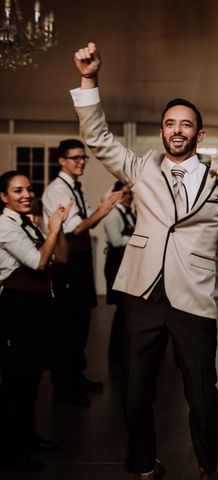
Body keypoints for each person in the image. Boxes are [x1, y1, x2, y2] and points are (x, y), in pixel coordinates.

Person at [71, 42, 218, 480]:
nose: (177, 130)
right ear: (161, 131)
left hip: (192, 297)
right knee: (135, 393)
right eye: (170, 123)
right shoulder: (140, 167)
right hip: (143, 294)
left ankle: (209, 468)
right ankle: (143, 466)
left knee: (203, 395)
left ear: (199, 135)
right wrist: (89, 79)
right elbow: (96, 137)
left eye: (186, 124)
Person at [0, 171, 71, 472]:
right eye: (18, 191)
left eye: (29, 189)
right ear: (4, 197)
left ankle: (27, 437)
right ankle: (9, 450)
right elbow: (38, 262)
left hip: (37, 308)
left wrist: (58, 228)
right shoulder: (4, 225)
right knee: (16, 381)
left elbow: (62, 258)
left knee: (31, 378)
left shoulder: (29, 223)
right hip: (16, 309)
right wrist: (50, 231)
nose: (27, 195)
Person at [42, 139, 121, 407]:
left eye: (83, 157)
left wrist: (101, 207)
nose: (81, 162)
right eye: (74, 158)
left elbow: (83, 223)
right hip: (67, 262)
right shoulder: (57, 190)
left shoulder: (75, 187)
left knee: (81, 321)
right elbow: (76, 228)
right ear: (61, 161)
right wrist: (105, 208)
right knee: (67, 325)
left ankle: (76, 376)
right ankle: (63, 386)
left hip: (81, 259)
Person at [103, 181, 136, 363]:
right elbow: (116, 241)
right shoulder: (112, 215)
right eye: (124, 194)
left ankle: (125, 349)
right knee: (121, 309)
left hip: (128, 264)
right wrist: (139, 239)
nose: (128, 197)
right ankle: (115, 353)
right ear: (116, 195)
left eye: (130, 194)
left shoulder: (130, 213)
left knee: (127, 309)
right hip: (116, 265)